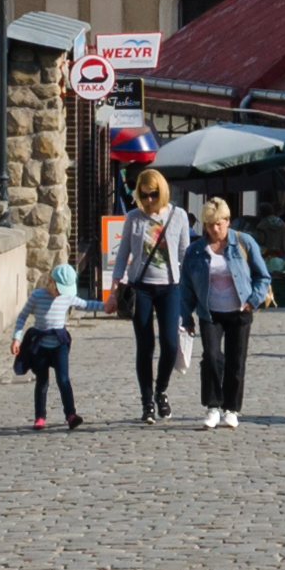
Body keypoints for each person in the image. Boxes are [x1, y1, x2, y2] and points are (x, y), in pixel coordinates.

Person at [111, 167, 190, 422]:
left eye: (152, 195)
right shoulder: (134, 217)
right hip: (140, 287)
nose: (148, 201)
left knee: (169, 343)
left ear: (162, 192)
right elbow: (123, 253)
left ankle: (161, 389)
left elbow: (185, 254)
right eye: (143, 196)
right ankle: (147, 402)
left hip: (169, 286)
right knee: (145, 346)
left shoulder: (178, 216)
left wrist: (190, 289)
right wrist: (115, 287)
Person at [189, 194, 269, 426]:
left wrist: (253, 300)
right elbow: (186, 285)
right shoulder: (196, 250)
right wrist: (185, 316)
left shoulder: (244, 242)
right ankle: (213, 406)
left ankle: (231, 408)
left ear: (228, 221)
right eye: (210, 225)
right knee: (212, 356)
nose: (215, 229)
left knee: (236, 360)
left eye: (219, 223)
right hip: (210, 311)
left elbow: (262, 275)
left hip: (239, 310)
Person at [12, 256, 84, 427]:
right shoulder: (37, 296)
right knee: (42, 381)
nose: (60, 294)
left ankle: (71, 415)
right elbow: (22, 317)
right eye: (58, 289)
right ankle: (40, 417)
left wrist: (105, 306)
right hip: (41, 346)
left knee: (63, 379)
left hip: (59, 345)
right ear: (51, 282)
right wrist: (16, 338)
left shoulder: (66, 298)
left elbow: (85, 304)